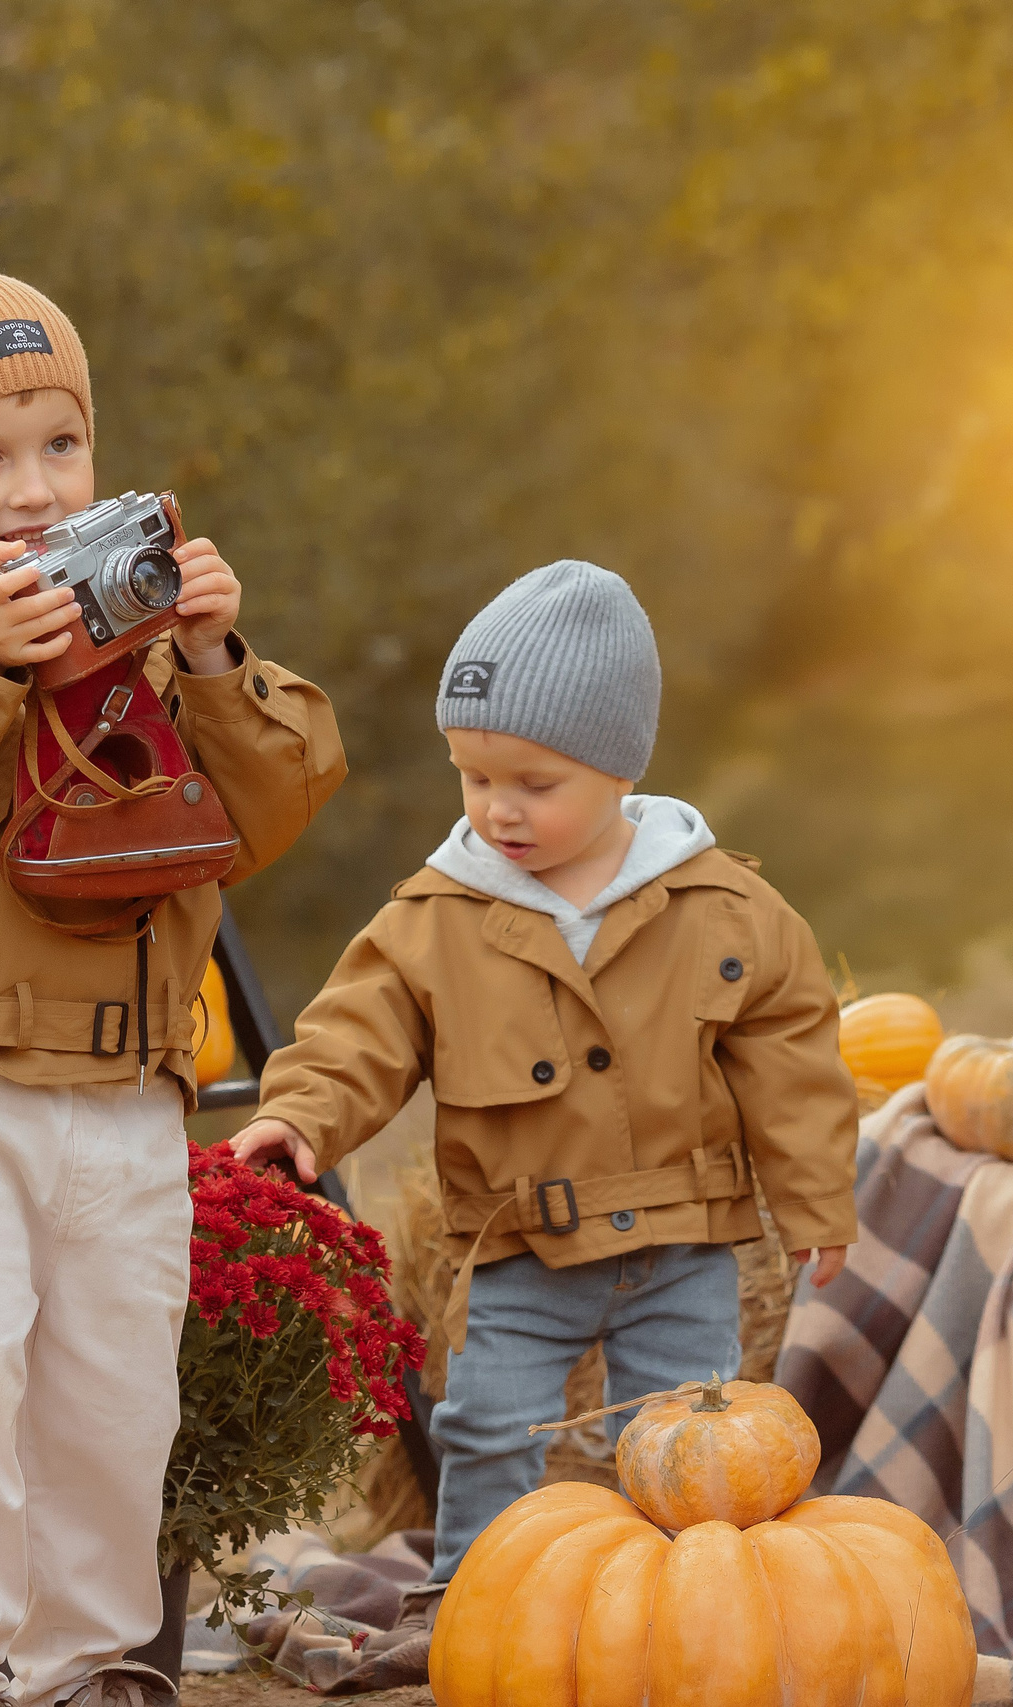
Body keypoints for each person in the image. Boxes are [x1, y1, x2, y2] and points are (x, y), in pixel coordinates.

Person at [0, 270, 346, 1707]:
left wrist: (214, 655)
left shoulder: (150, 644)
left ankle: (88, 1664)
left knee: (110, 1400)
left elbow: (270, 813)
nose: (31, 490)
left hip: (131, 1092)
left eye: (60, 446)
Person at [228, 560, 860, 1657]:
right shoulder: (435, 918)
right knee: (485, 1427)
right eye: (471, 777)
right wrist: (301, 1116)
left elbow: (792, 1057)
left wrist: (816, 1203)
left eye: (532, 782)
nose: (496, 808)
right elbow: (355, 1035)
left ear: (617, 769)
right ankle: (470, 1614)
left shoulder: (722, 906)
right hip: (518, 1245)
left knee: (686, 1445)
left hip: (684, 1240)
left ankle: (682, 1630)